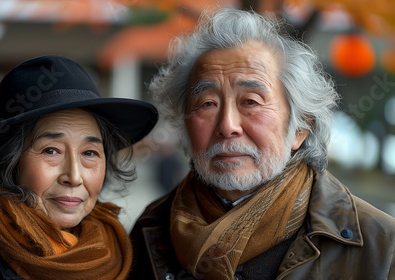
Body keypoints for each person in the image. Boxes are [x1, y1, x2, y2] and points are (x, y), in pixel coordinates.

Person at [130, 8, 395, 280]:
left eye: (250, 102)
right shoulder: (150, 229)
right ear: (185, 125)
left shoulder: (381, 246)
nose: (227, 126)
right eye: (208, 104)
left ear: (300, 128)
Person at [0, 55, 158, 280]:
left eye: (89, 153)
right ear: (9, 163)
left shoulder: (130, 263)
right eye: (51, 151)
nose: (75, 176)